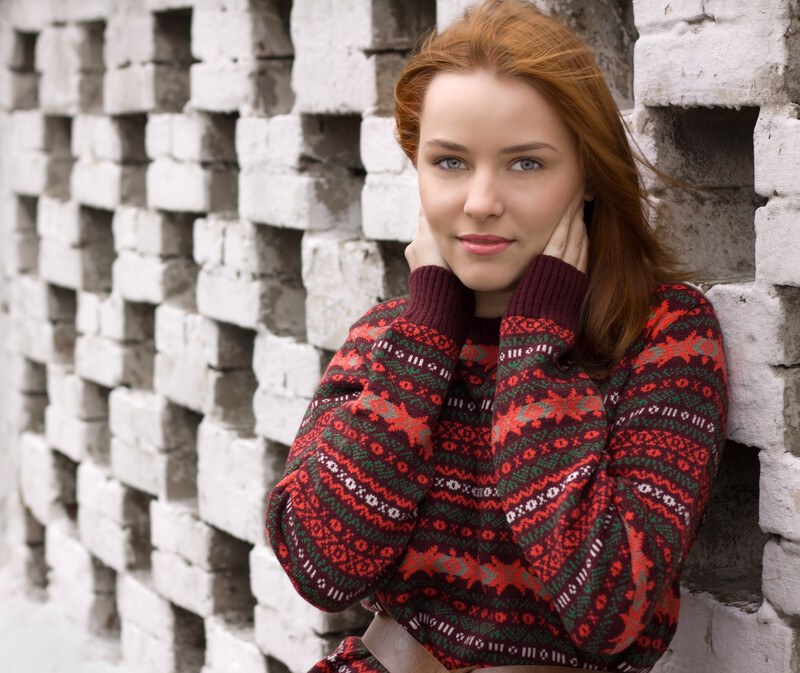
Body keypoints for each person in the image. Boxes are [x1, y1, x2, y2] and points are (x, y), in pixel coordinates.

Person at [266, 1, 728, 671]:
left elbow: (613, 609)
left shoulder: (663, 336)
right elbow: (321, 569)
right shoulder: (387, 341)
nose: (480, 200)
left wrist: (534, 353)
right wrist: (424, 340)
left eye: (525, 164)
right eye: (450, 162)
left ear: (590, 175)